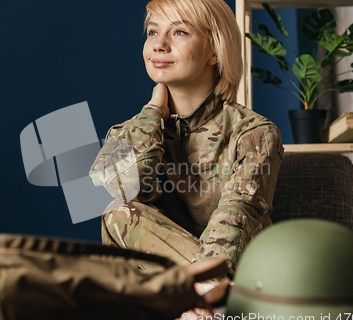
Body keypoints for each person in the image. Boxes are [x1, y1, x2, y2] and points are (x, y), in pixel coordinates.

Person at [90, 0, 283, 275]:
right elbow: (119, 188)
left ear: (214, 50)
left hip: (238, 275)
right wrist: (153, 112)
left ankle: (209, 291)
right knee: (118, 212)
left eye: (179, 32)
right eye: (153, 32)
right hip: (171, 287)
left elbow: (235, 219)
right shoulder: (134, 131)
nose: (159, 44)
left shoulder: (254, 133)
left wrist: (206, 282)